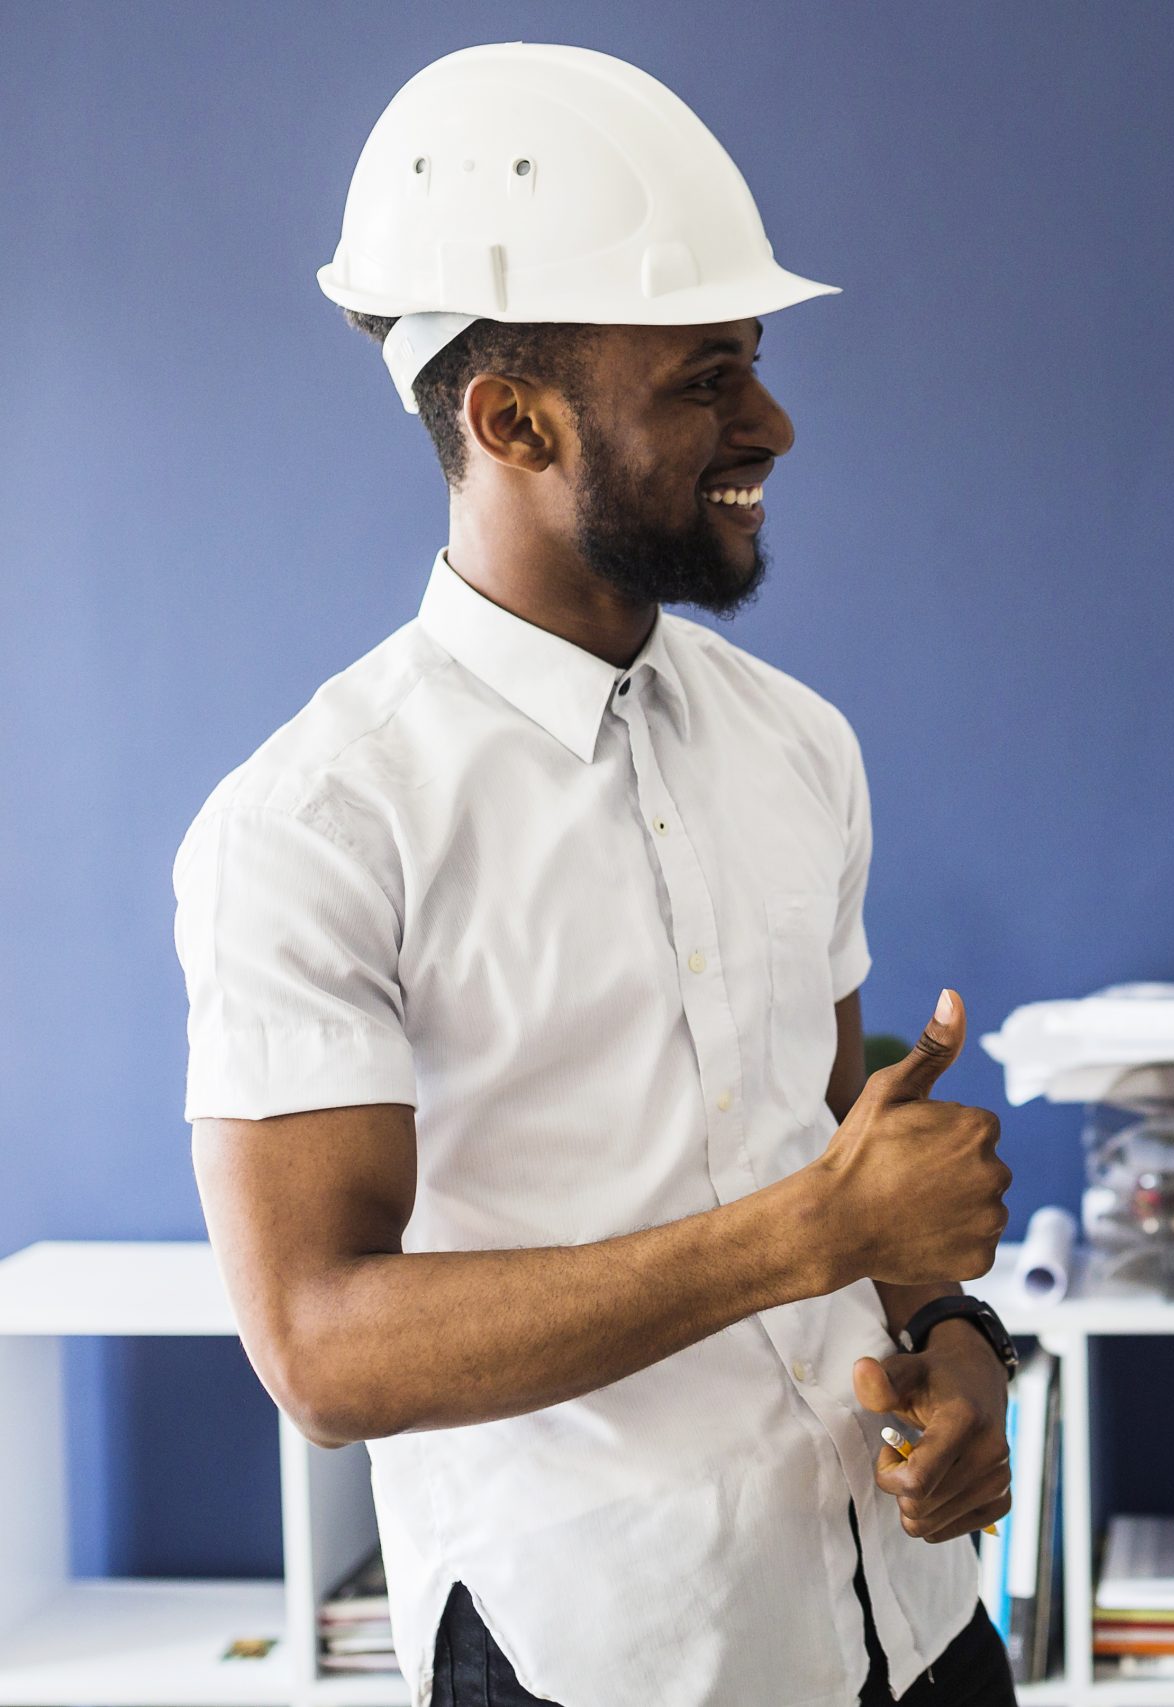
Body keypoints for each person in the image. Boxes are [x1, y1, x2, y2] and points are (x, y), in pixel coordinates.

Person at [176, 45, 1019, 1707]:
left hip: (911, 1627)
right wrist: (806, 1233)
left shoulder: (801, 746)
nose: (770, 420)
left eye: (757, 363)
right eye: (706, 377)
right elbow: (322, 1349)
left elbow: (842, 1154)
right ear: (511, 417)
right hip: (604, 1659)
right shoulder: (314, 826)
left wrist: (961, 1351)